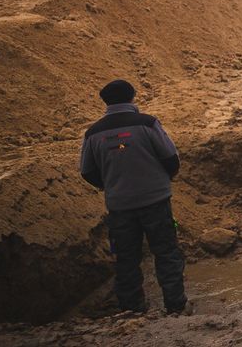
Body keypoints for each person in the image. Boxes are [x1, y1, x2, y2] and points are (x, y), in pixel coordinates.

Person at [79, 79, 188, 315]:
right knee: (167, 252)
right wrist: (162, 181)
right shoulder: (147, 123)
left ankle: (132, 310)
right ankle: (176, 306)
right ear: (132, 97)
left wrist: (110, 185)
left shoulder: (93, 133)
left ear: (105, 102)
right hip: (156, 202)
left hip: (120, 207)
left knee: (126, 259)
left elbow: (87, 171)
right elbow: (171, 157)